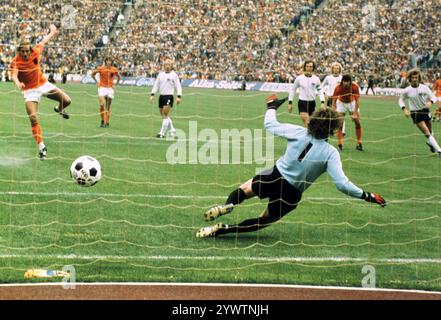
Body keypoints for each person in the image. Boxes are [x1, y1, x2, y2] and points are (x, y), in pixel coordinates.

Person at [196, 95, 386, 238]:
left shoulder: (298, 132)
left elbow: (270, 125)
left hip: (275, 174)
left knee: (245, 189)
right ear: (332, 129)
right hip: (292, 191)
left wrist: (271, 106)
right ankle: (223, 230)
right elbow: (342, 184)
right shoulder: (330, 153)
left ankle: (229, 205)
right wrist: (366, 195)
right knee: (264, 220)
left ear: (313, 120)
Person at [10, 24, 71, 160]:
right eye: (23, 51)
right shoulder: (15, 62)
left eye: (27, 51)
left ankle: (59, 109)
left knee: (67, 101)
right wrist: (18, 83)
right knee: (33, 118)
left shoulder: (36, 51)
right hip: (29, 91)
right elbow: (14, 75)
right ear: (19, 51)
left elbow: (44, 41)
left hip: (43, 84)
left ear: (30, 50)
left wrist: (53, 32)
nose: (25, 54)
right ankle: (41, 147)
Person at [399, 69, 441, 156]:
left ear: (419, 78)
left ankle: (431, 143)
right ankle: (439, 150)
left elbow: (433, 97)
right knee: (426, 132)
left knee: (429, 131)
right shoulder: (407, 90)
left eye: (416, 77)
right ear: (410, 79)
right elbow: (400, 101)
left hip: (425, 110)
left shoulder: (424, 88)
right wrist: (404, 109)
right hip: (415, 113)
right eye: (413, 77)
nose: (415, 79)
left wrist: (430, 102)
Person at [150, 59, 182, 138]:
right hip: (161, 97)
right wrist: (152, 94)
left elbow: (178, 86)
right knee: (164, 115)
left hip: (169, 96)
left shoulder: (174, 75)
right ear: (164, 65)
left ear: (171, 65)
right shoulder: (160, 75)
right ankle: (172, 130)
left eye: (169, 64)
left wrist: (179, 96)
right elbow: (156, 85)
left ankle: (162, 133)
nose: (167, 66)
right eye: (166, 64)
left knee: (165, 114)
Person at [288, 60, 325, 127]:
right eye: (307, 66)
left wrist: (322, 102)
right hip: (302, 103)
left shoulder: (316, 79)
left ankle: (306, 136)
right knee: (307, 122)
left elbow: (320, 90)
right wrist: (290, 103)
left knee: (311, 124)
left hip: (312, 103)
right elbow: (293, 90)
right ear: (305, 67)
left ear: (313, 68)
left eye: (311, 67)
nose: (309, 68)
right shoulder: (299, 78)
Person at [332, 74, 363, 151]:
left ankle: (359, 143)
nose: (346, 83)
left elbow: (357, 101)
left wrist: (355, 113)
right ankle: (340, 144)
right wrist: (334, 110)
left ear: (350, 82)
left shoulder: (354, 87)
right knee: (340, 123)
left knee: (357, 122)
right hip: (341, 103)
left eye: (347, 81)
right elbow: (334, 100)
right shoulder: (338, 87)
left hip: (352, 103)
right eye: (344, 81)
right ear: (342, 81)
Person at [92, 57, 121, 128]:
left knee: (108, 106)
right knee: (102, 104)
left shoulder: (114, 69)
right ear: (105, 61)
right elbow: (92, 74)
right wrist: (97, 82)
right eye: (107, 60)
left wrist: (115, 84)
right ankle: (102, 121)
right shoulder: (101, 68)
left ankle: (107, 122)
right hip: (102, 88)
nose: (108, 62)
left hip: (110, 89)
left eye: (110, 60)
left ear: (111, 62)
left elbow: (119, 77)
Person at [322, 62, 345, 136]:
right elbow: (321, 87)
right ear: (332, 69)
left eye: (337, 68)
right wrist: (324, 94)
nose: (336, 70)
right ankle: (330, 129)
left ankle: (342, 130)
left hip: (339, 99)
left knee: (340, 115)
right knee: (329, 115)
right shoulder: (328, 77)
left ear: (340, 69)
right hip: (330, 98)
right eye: (334, 68)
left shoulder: (342, 78)